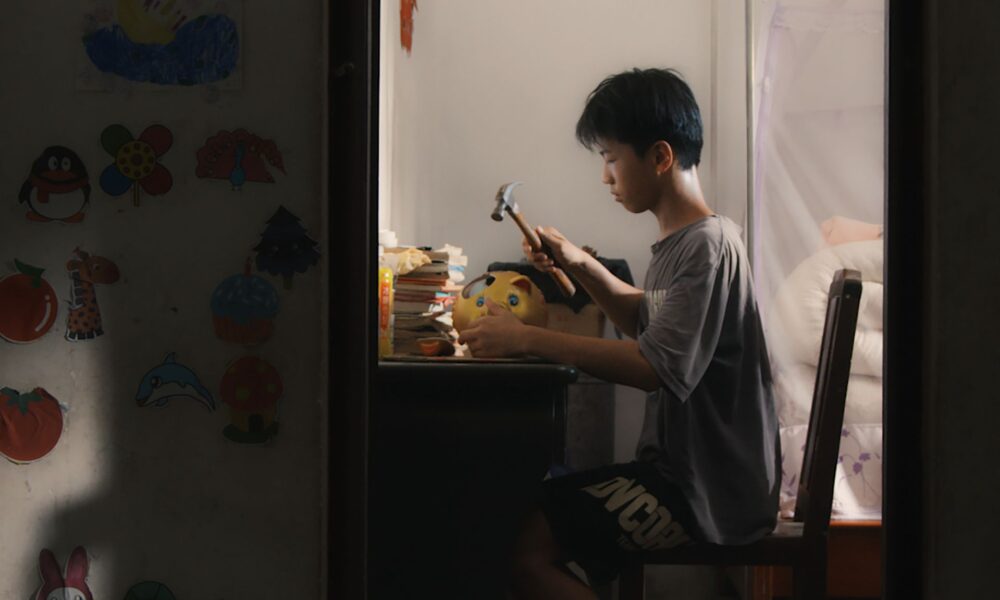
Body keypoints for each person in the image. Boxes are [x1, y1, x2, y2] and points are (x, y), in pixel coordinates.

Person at [457, 68, 780, 599]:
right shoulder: (685, 243)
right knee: (525, 509)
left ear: (660, 157)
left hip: (704, 493)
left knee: (523, 549)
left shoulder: (706, 247)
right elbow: (645, 321)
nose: (606, 177)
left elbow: (654, 367)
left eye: (611, 158)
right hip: (689, 479)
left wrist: (526, 339)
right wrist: (578, 262)